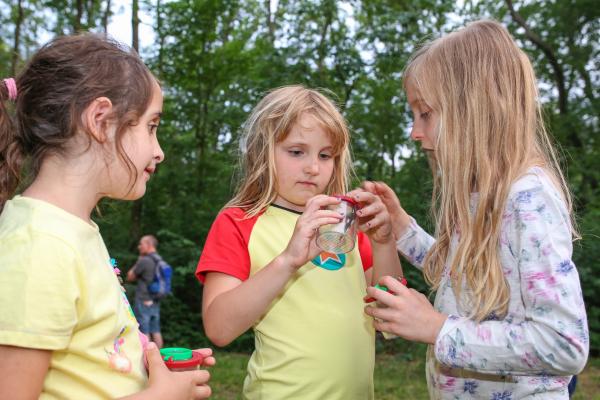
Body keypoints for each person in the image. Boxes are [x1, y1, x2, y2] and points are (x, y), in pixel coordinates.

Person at [363, 20, 589, 399]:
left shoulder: (527, 198)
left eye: (426, 114)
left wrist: (437, 328)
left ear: (472, 108)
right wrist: (402, 229)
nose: (415, 132)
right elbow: (463, 277)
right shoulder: (480, 194)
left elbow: (565, 344)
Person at [0, 34, 214, 399]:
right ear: (100, 120)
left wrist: (139, 366)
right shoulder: (40, 245)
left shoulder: (73, 230)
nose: (159, 151)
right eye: (151, 126)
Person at [196, 85, 402, 399]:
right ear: (262, 151)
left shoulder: (345, 225)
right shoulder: (239, 221)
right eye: (296, 151)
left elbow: (391, 319)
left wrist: (384, 242)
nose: (313, 167)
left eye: (325, 155)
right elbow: (219, 328)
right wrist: (288, 260)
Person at [128, 234, 165, 349]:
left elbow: (130, 277)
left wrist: (139, 259)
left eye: (141, 244)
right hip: (155, 300)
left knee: (144, 331)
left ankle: (149, 360)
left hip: (143, 300)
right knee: (156, 330)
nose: (139, 246)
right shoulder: (159, 260)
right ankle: (160, 359)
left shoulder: (144, 260)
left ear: (149, 245)